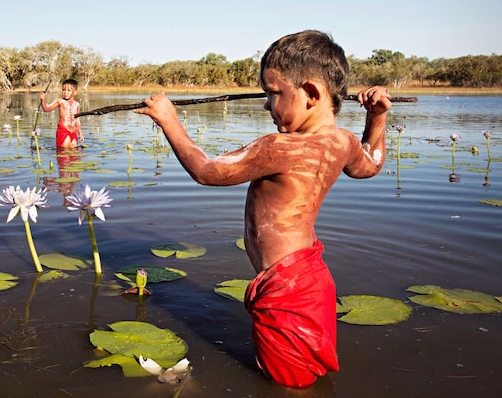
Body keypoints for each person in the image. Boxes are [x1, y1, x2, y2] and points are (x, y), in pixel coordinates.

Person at [134, 30, 391, 389]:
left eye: (273, 94)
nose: (266, 105)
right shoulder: (344, 142)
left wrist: (168, 120)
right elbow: (372, 164)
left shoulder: (279, 148)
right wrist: (377, 118)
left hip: (286, 291)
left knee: (288, 384)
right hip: (310, 282)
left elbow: (208, 171)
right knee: (298, 377)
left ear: (312, 94)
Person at [39, 78, 84, 148]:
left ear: (75, 92)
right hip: (63, 130)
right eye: (63, 90)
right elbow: (46, 109)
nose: (65, 92)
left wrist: (80, 133)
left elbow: (77, 120)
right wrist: (42, 100)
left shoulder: (77, 104)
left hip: (73, 131)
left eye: (69, 90)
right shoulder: (60, 101)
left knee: (74, 153)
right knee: (64, 153)